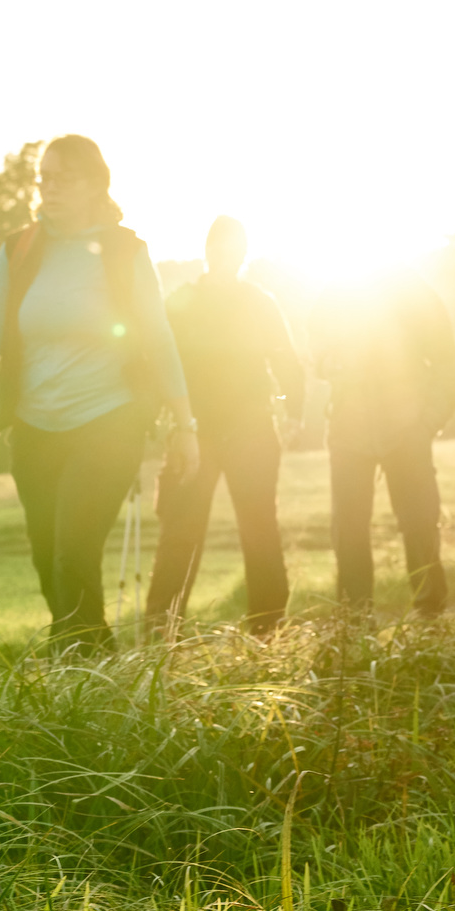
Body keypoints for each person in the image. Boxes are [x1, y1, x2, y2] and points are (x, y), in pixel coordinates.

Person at [0, 135, 198, 652]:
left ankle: (78, 678)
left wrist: (185, 424)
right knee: (48, 558)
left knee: (73, 553)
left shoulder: (126, 250)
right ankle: (94, 670)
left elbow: (157, 336)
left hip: (109, 421)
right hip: (34, 427)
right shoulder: (21, 248)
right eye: (44, 177)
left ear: (96, 183)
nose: (49, 187)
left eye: (63, 178)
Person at [143, 217, 304, 634]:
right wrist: (161, 420)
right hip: (195, 431)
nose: (228, 256)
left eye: (235, 250)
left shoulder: (260, 302)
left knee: (259, 530)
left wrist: (290, 409)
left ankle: (268, 628)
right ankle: (162, 629)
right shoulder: (181, 302)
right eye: (222, 248)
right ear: (209, 250)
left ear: (242, 255)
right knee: (181, 532)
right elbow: (160, 361)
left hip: (252, 430)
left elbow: (286, 361)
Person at [311, 270, 455, 617]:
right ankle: (354, 620)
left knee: (421, 522)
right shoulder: (336, 290)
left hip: (407, 430)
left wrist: (428, 423)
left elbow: (449, 366)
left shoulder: (418, 294)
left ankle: (430, 615)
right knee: (348, 529)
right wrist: (328, 361)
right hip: (349, 432)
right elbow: (315, 346)